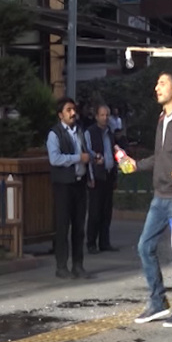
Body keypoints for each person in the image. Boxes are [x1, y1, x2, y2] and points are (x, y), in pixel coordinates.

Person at [128, 72, 172, 328]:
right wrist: (135, 165)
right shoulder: (161, 120)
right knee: (144, 246)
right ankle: (158, 302)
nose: (156, 87)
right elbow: (159, 157)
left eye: (162, 83)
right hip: (159, 197)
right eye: (156, 83)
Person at [46, 97, 93, 280]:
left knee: (79, 226)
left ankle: (78, 265)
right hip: (63, 185)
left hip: (79, 183)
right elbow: (55, 159)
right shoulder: (54, 134)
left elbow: (85, 151)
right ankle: (61, 266)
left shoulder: (79, 131)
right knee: (63, 225)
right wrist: (77, 158)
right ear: (60, 115)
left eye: (73, 109)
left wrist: (91, 158)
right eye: (68, 110)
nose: (73, 113)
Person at [85, 104, 119, 254]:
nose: (105, 118)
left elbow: (112, 153)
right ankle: (91, 242)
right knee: (95, 211)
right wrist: (90, 176)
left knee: (107, 211)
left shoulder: (110, 133)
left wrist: (115, 176)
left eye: (107, 115)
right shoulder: (90, 132)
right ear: (97, 116)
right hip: (97, 177)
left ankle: (104, 242)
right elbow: (87, 152)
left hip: (109, 175)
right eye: (102, 115)